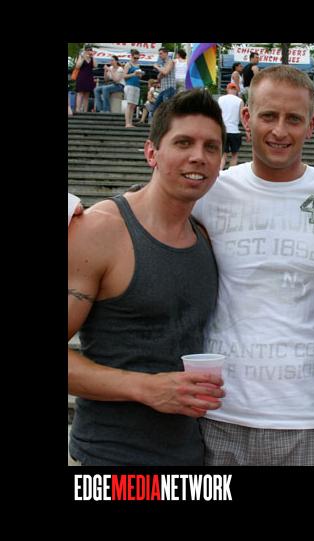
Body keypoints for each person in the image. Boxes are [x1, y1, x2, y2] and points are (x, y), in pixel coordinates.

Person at [191, 65, 314, 466]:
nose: (279, 131)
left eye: (293, 119)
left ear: (312, 126)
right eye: (268, 116)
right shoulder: (210, 191)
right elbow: (142, 212)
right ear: (246, 118)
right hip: (218, 411)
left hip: (305, 414)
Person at [68, 89, 227, 466]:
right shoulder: (100, 229)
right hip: (110, 461)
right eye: (183, 142)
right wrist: (147, 388)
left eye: (211, 147)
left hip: (190, 458)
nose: (198, 156)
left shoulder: (204, 237)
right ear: (152, 152)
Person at [218, 82, 244, 169]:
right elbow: (242, 117)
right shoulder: (240, 101)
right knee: (234, 155)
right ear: (236, 90)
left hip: (223, 130)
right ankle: (232, 173)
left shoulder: (220, 99)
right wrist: (247, 131)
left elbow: (218, 115)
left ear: (227, 89)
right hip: (235, 131)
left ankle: (219, 173)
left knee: (223, 156)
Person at [122, 49, 144, 128]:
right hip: (130, 85)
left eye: (138, 58)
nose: (136, 59)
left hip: (136, 85)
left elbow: (139, 76)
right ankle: (127, 123)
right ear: (131, 56)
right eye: (135, 58)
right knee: (129, 104)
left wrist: (140, 75)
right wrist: (133, 74)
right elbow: (124, 76)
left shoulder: (138, 65)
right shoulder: (128, 64)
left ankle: (130, 122)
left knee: (133, 105)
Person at [74, 46, 96, 113]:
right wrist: (83, 57)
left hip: (89, 77)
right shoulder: (81, 56)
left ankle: (85, 111)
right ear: (85, 51)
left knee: (87, 94)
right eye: (88, 50)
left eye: (90, 50)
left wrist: (93, 56)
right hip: (81, 77)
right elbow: (77, 66)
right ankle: (78, 109)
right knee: (80, 93)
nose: (89, 51)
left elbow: (95, 66)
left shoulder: (91, 58)